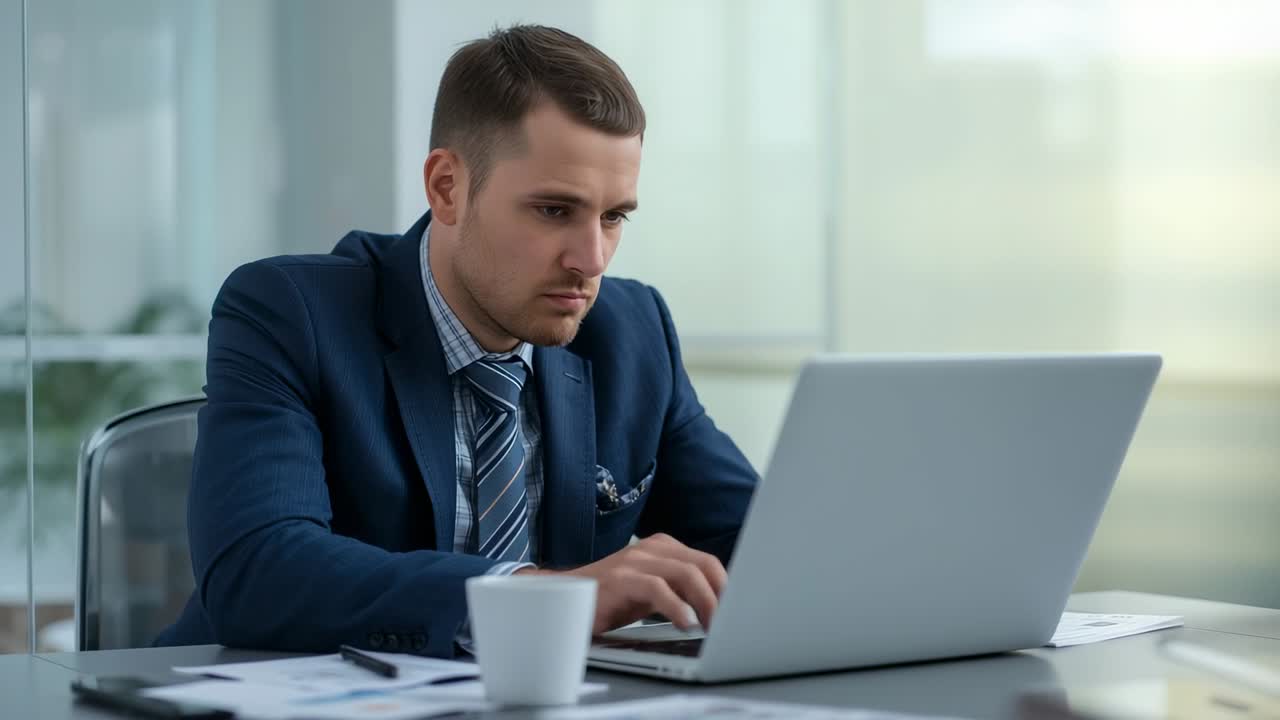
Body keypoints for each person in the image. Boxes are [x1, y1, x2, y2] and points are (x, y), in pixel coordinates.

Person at [156, 24, 758, 658]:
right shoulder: (292, 313)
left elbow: (764, 544)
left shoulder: (633, 334)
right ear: (447, 187)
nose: (591, 258)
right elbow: (258, 571)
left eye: (613, 217)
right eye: (554, 210)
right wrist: (540, 598)